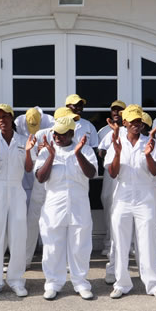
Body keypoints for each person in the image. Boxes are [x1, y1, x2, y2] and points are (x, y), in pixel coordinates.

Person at [105, 104, 156, 300]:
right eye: (133, 121)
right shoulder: (117, 141)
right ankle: (121, 283)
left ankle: (153, 284)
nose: (136, 125)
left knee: (147, 241)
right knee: (120, 241)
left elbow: (155, 172)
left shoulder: (151, 142)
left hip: (144, 197)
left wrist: (147, 154)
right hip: (123, 196)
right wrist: (118, 152)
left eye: (139, 121)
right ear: (125, 122)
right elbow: (112, 173)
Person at [35, 116, 98, 300]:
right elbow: (40, 177)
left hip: (79, 204)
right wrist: (51, 156)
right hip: (54, 204)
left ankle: (80, 283)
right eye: (55, 133)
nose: (57, 137)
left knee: (80, 245)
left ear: (72, 133)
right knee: (53, 246)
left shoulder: (85, 149)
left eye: (62, 134)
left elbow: (92, 173)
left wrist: (78, 154)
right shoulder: (47, 151)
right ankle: (53, 283)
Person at [0, 104, 32, 297]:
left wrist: (28, 151)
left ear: (12, 119)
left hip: (16, 189)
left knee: (18, 235)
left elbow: (29, 169)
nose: (2, 120)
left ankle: (16, 279)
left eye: (5, 117)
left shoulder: (23, 140)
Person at [18, 107, 54, 269]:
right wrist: (40, 154)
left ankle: (55, 260)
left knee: (54, 225)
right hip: (38, 185)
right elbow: (31, 164)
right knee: (32, 222)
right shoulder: (37, 135)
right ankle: (25, 259)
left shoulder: (56, 129)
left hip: (56, 186)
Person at [97, 100, 126, 262]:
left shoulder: (131, 130)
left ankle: (130, 245)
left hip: (127, 174)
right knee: (109, 203)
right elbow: (100, 151)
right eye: (114, 110)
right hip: (110, 173)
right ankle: (109, 243)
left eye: (120, 110)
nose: (117, 113)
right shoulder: (104, 131)